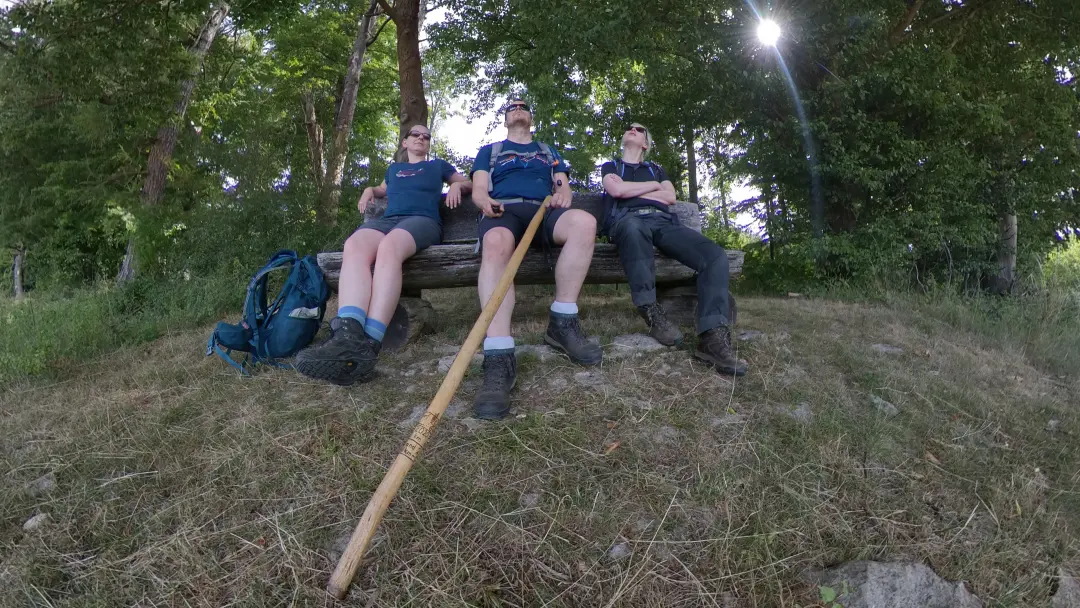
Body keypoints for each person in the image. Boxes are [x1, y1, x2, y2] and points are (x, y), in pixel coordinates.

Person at [295, 125, 471, 385]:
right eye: (416, 135)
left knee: (389, 247)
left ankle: (368, 345)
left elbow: (466, 181)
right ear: (405, 142)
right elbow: (382, 189)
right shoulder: (394, 170)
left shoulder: (437, 166)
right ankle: (348, 335)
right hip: (389, 221)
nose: (422, 138)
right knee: (354, 244)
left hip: (422, 221)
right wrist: (370, 190)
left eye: (426, 136)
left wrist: (457, 186)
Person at [469, 100, 603, 419]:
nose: (518, 108)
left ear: (530, 118)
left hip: (544, 211)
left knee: (585, 223)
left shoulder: (547, 150)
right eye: (512, 107)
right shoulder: (491, 151)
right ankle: (499, 355)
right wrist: (485, 202)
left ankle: (562, 323)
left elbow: (562, 185)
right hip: (504, 210)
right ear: (505, 120)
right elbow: (478, 189)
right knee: (496, 243)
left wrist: (563, 194)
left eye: (524, 106)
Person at [601, 122, 747, 376]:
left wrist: (631, 191)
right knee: (634, 227)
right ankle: (651, 311)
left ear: (645, 144)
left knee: (715, 256)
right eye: (629, 128)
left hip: (662, 223)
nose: (632, 129)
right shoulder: (611, 166)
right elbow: (616, 189)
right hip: (627, 222)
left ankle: (712, 338)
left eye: (639, 129)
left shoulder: (656, 169)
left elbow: (669, 197)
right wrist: (653, 187)